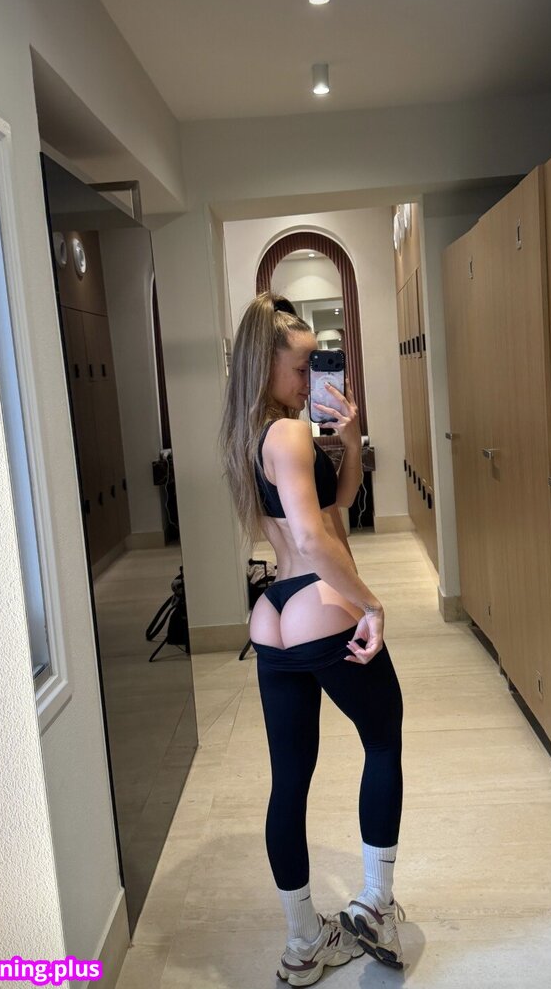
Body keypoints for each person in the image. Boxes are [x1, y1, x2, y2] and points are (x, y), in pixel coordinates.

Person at [219, 291, 405, 986]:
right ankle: (375, 905)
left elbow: (335, 507)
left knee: (289, 779)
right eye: (300, 367)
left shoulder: (250, 435)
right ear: (265, 364)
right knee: (383, 737)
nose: (309, 380)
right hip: (318, 604)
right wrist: (369, 603)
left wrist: (349, 442)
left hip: (272, 613)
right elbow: (314, 539)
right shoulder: (290, 435)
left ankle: (303, 943)